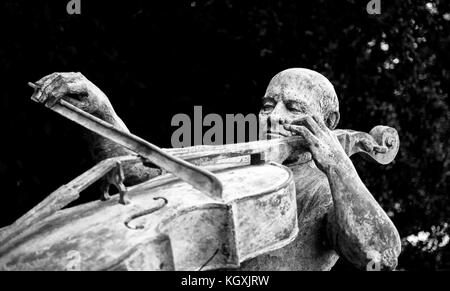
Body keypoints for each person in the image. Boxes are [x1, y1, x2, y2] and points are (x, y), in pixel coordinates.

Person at [32, 68, 401, 270]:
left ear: (329, 119)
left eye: (292, 107)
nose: (274, 117)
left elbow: (380, 255)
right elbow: (141, 171)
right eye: (268, 104)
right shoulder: (241, 158)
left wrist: (338, 164)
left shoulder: (327, 188)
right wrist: (101, 111)